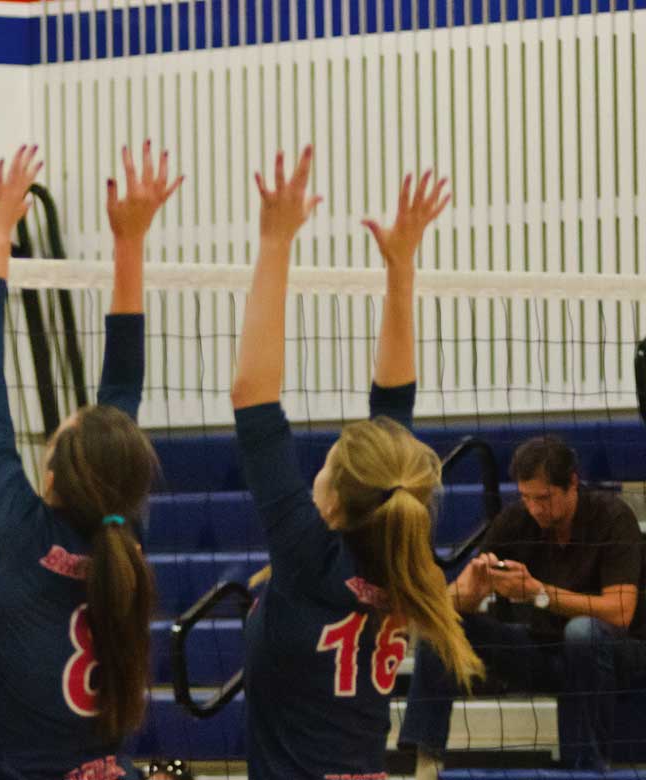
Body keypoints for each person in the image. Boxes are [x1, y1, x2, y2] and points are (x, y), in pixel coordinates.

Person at [230, 147, 483, 780]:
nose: (319, 463)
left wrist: (275, 244)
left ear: (335, 498)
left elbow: (254, 397)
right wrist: (401, 267)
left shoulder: (309, 555)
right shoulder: (403, 557)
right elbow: (391, 413)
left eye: (328, 460)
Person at [0, 141, 181, 780]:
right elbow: (119, 391)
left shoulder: (21, 529)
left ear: (51, 473)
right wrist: (130, 243)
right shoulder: (123, 536)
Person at [399, 434, 646, 774]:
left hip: (618, 653)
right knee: (444, 626)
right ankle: (425, 761)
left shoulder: (612, 516)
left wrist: (538, 592)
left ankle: (586, 769)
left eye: (544, 498)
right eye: (527, 497)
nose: (535, 508)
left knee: (581, 632)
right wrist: (470, 588)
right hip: (544, 651)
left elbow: (620, 612)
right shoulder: (517, 519)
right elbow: (452, 602)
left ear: (572, 483)